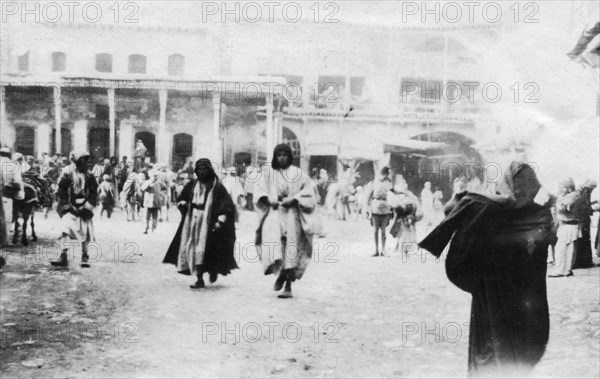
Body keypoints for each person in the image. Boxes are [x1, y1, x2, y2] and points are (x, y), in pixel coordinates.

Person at [419, 162, 555, 377]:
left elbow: (461, 243)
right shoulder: (542, 216)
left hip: (491, 295)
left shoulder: (488, 212)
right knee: (520, 351)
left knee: (489, 349)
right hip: (528, 299)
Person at [254, 144, 317, 298]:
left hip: (292, 214)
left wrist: (294, 199)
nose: (281, 158)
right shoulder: (269, 173)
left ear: (290, 156)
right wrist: (269, 199)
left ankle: (287, 285)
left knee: (291, 248)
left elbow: (310, 192)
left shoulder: (298, 174)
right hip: (275, 215)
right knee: (277, 247)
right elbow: (259, 190)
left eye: (284, 155)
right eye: (279, 155)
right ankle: (280, 274)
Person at [163, 159, 238, 289]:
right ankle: (199, 278)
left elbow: (226, 204)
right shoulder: (192, 184)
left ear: (209, 170)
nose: (202, 172)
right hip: (193, 220)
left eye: (205, 169)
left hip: (209, 222)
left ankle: (213, 270)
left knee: (208, 249)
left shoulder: (217, 186)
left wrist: (220, 220)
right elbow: (182, 198)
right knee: (194, 248)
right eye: (200, 169)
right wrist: (183, 204)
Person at [51, 152, 98, 268]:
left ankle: (85, 256)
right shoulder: (68, 172)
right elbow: (61, 190)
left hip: (84, 206)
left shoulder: (90, 175)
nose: (88, 164)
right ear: (79, 162)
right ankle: (63, 255)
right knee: (65, 229)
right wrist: (68, 205)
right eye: (86, 161)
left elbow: (94, 192)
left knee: (84, 232)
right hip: (70, 206)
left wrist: (86, 206)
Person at [548, 178, 581, 277]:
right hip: (569, 225)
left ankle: (560, 270)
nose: (560, 189)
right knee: (568, 248)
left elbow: (565, 207)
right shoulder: (573, 195)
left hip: (568, 226)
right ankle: (567, 270)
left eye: (562, 187)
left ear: (569, 188)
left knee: (560, 248)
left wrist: (559, 200)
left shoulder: (572, 196)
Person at [366, 167, 393, 257]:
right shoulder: (373, 183)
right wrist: (367, 209)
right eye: (383, 174)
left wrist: (392, 207)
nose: (384, 176)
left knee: (384, 230)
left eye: (386, 174)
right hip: (375, 207)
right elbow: (368, 196)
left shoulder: (388, 183)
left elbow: (392, 194)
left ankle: (384, 250)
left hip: (385, 207)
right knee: (375, 230)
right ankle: (376, 250)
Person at [572, 179, 597, 269]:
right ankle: (583, 262)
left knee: (583, 240)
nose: (592, 190)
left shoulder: (584, 192)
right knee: (583, 240)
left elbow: (585, 206)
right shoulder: (583, 193)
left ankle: (583, 262)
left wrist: (592, 204)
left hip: (582, 220)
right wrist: (595, 209)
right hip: (582, 221)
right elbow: (583, 208)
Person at [141, 169, 166, 234]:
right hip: (148, 203)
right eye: (154, 176)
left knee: (155, 217)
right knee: (147, 216)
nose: (155, 177)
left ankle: (153, 228)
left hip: (156, 203)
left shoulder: (158, 183)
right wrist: (149, 186)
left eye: (156, 176)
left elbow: (164, 187)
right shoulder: (147, 182)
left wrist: (162, 182)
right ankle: (146, 228)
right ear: (151, 176)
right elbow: (143, 189)